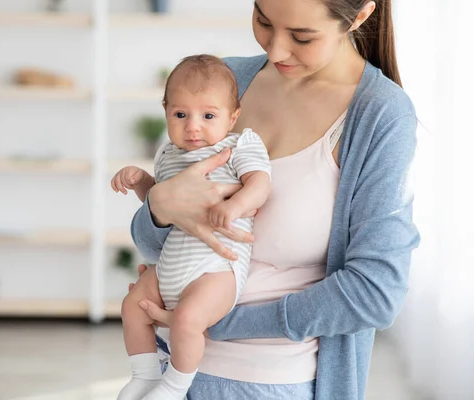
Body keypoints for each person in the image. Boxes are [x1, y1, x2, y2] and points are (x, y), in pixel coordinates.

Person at [128, 0, 419, 399]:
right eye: (263, 20)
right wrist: (158, 207)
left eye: (302, 36)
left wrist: (211, 323)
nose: (275, 50)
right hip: (170, 367)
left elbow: (375, 293)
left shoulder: (380, 116)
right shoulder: (225, 80)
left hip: (269, 383)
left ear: (360, 16)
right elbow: (156, 239)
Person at [111, 54, 272, 400]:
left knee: (187, 320)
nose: (193, 127)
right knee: (132, 305)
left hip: (218, 267)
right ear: (166, 111)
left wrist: (236, 206)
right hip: (171, 263)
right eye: (180, 115)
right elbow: (164, 205)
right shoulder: (168, 154)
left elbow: (260, 183)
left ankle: (174, 385)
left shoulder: (237, 145)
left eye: (208, 116)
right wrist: (143, 184)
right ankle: (145, 375)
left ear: (233, 117)